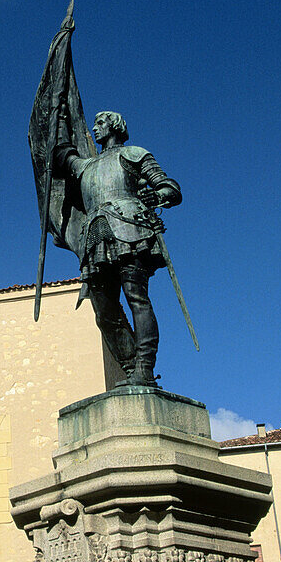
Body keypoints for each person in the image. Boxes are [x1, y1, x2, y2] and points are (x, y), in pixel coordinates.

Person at [54, 111, 181, 386]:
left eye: (100, 124)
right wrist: (60, 115)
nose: (95, 129)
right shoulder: (85, 166)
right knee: (103, 309)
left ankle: (144, 368)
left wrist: (156, 195)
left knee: (136, 296)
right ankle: (128, 365)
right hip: (95, 236)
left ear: (114, 126)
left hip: (129, 229)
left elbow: (170, 188)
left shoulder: (134, 154)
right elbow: (62, 155)